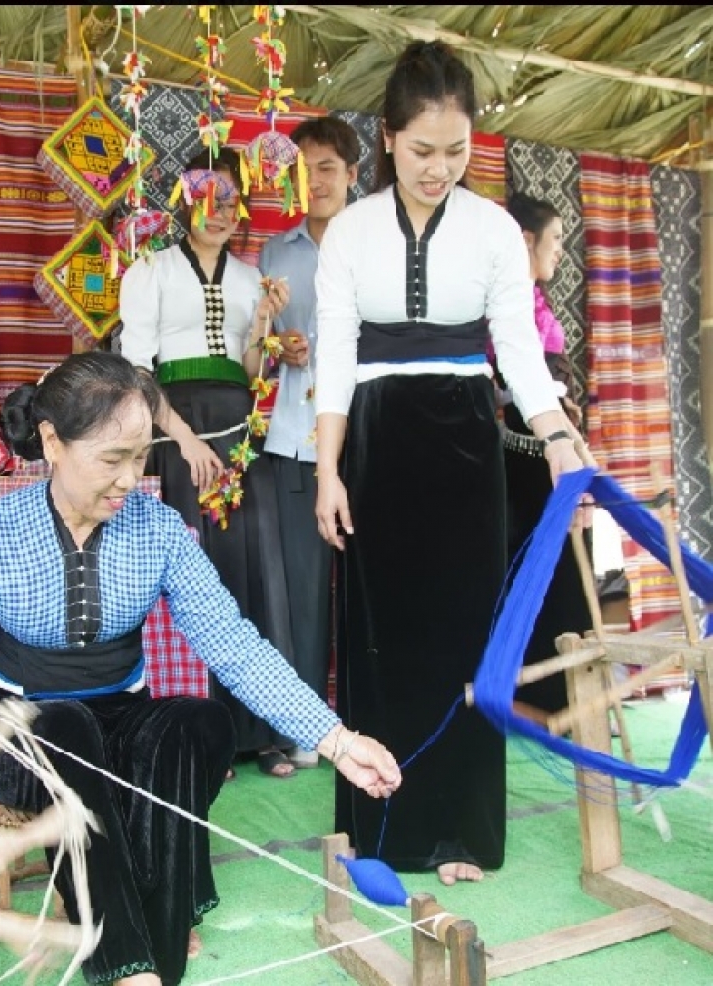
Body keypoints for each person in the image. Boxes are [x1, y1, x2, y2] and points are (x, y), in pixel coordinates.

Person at [0, 350, 402, 986]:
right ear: (51, 442)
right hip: (18, 728)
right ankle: (129, 969)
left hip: (118, 712)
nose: (131, 480)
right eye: (111, 459)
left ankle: (151, 951)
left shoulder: (158, 529)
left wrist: (337, 740)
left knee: (198, 723)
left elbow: (234, 646)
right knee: (66, 732)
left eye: (141, 457)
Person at [312, 40, 588, 887]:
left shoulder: (495, 229)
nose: (440, 168)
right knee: (382, 641)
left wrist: (558, 436)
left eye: (458, 151)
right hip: (379, 443)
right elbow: (336, 360)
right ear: (388, 138)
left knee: (468, 634)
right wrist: (328, 472)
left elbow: (519, 352)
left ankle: (463, 832)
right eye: (424, 150)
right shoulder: (352, 232)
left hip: (467, 442)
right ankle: (384, 827)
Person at [118, 146, 299, 780]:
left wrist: (265, 329)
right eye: (210, 197)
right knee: (199, 580)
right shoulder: (151, 270)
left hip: (243, 435)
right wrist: (186, 440)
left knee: (256, 568)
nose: (222, 211)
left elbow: (253, 373)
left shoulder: (252, 281)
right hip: (177, 431)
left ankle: (265, 732)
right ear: (186, 199)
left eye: (232, 200)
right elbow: (139, 372)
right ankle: (202, 737)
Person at [256, 116, 362, 768]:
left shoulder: (374, 247)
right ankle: (304, 728)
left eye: (328, 167)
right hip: (294, 439)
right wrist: (280, 346)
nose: (316, 180)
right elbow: (259, 353)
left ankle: (369, 717)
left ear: (353, 175)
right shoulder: (276, 253)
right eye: (305, 167)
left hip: (364, 438)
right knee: (298, 594)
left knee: (367, 593)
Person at [497, 190, 594, 717]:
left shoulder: (536, 304)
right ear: (526, 240)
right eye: (555, 240)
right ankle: (541, 692)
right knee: (538, 565)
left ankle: (568, 692)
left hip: (552, 452)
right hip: (529, 457)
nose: (560, 251)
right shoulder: (506, 309)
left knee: (566, 567)